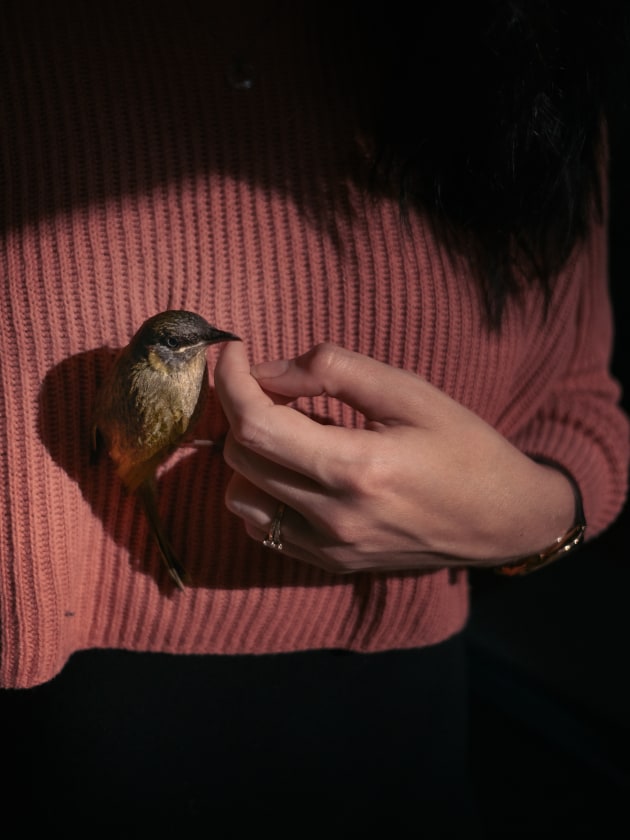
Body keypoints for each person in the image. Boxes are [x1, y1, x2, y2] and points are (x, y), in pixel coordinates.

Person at [1, 0, 628, 833]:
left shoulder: (527, 58)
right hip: (46, 719)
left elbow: (581, 406)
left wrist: (532, 520)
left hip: (383, 727)